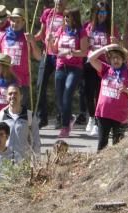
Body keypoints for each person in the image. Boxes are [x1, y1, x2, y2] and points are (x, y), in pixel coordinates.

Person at [89, 44, 128, 151]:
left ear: (123, 59)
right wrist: (104, 49)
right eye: (113, 57)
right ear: (110, 59)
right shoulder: (106, 69)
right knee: (102, 144)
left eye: (118, 57)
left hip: (120, 115)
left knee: (117, 146)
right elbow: (91, 59)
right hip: (103, 113)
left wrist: (126, 90)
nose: (116, 60)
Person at [82, 2, 121, 137]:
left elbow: (118, 46)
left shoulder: (111, 28)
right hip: (89, 63)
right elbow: (83, 43)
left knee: (99, 94)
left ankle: (98, 123)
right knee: (88, 93)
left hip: (104, 65)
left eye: (104, 13)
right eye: (99, 12)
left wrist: (115, 41)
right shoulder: (88, 26)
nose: (102, 16)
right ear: (95, 13)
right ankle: (91, 117)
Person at [51, 8, 90, 138]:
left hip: (75, 68)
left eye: (69, 17)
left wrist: (70, 52)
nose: (66, 19)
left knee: (67, 94)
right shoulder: (61, 30)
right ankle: (70, 117)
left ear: (75, 18)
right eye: (65, 17)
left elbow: (84, 52)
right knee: (59, 98)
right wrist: (50, 41)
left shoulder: (81, 32)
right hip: (61, 66)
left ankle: (65, 127)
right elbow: (55, 49)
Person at [34, 0, 68, 128]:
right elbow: (42, 33)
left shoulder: (68, 15)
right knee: (40, 85)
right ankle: (41, 117)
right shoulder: (48, 13)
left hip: (61, 55)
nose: (59, 1)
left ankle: (61, 117)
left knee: (60, 87)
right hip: (47, 53)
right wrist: (31, 38)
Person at [0, 7, 41, 102]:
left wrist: (32, 42)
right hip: (5, 80)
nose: (15, 24)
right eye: (13, 21)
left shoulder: (27, 38)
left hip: (22, 81)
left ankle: (29, 117)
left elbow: (39, 57)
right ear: (9, 20)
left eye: (18, 21)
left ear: (23, 22)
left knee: (22, 111)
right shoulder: (3, 37)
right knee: (5, 111)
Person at [0, 86, 41, 163]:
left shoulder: (30, 115)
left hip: (24, 162)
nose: (13, 96)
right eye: (10, 94)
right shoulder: (0, 116)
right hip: (5, 162)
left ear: (21, 97)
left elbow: (36, 141)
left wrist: (37, 162)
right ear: (6, 97)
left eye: (15, 93)